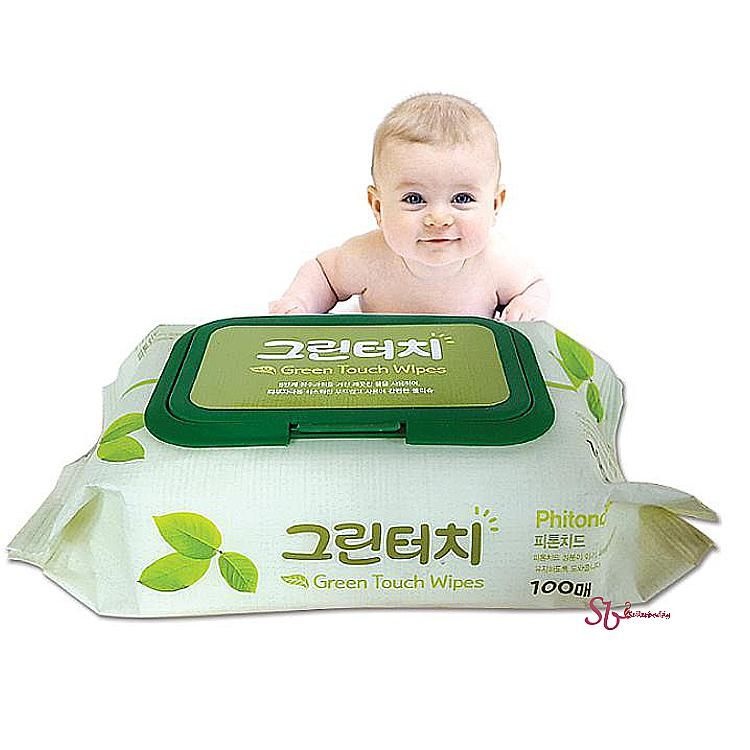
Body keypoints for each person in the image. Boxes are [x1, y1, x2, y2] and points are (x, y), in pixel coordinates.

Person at [269, 93, 549, 321]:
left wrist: (527, 304)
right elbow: (324, 274)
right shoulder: (368, 257)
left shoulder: (496, 262)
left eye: (462, 198)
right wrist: (300, 302)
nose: (438, 218)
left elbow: (535, 286)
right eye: (414, 199)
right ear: (378, 207)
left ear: (495, 205)